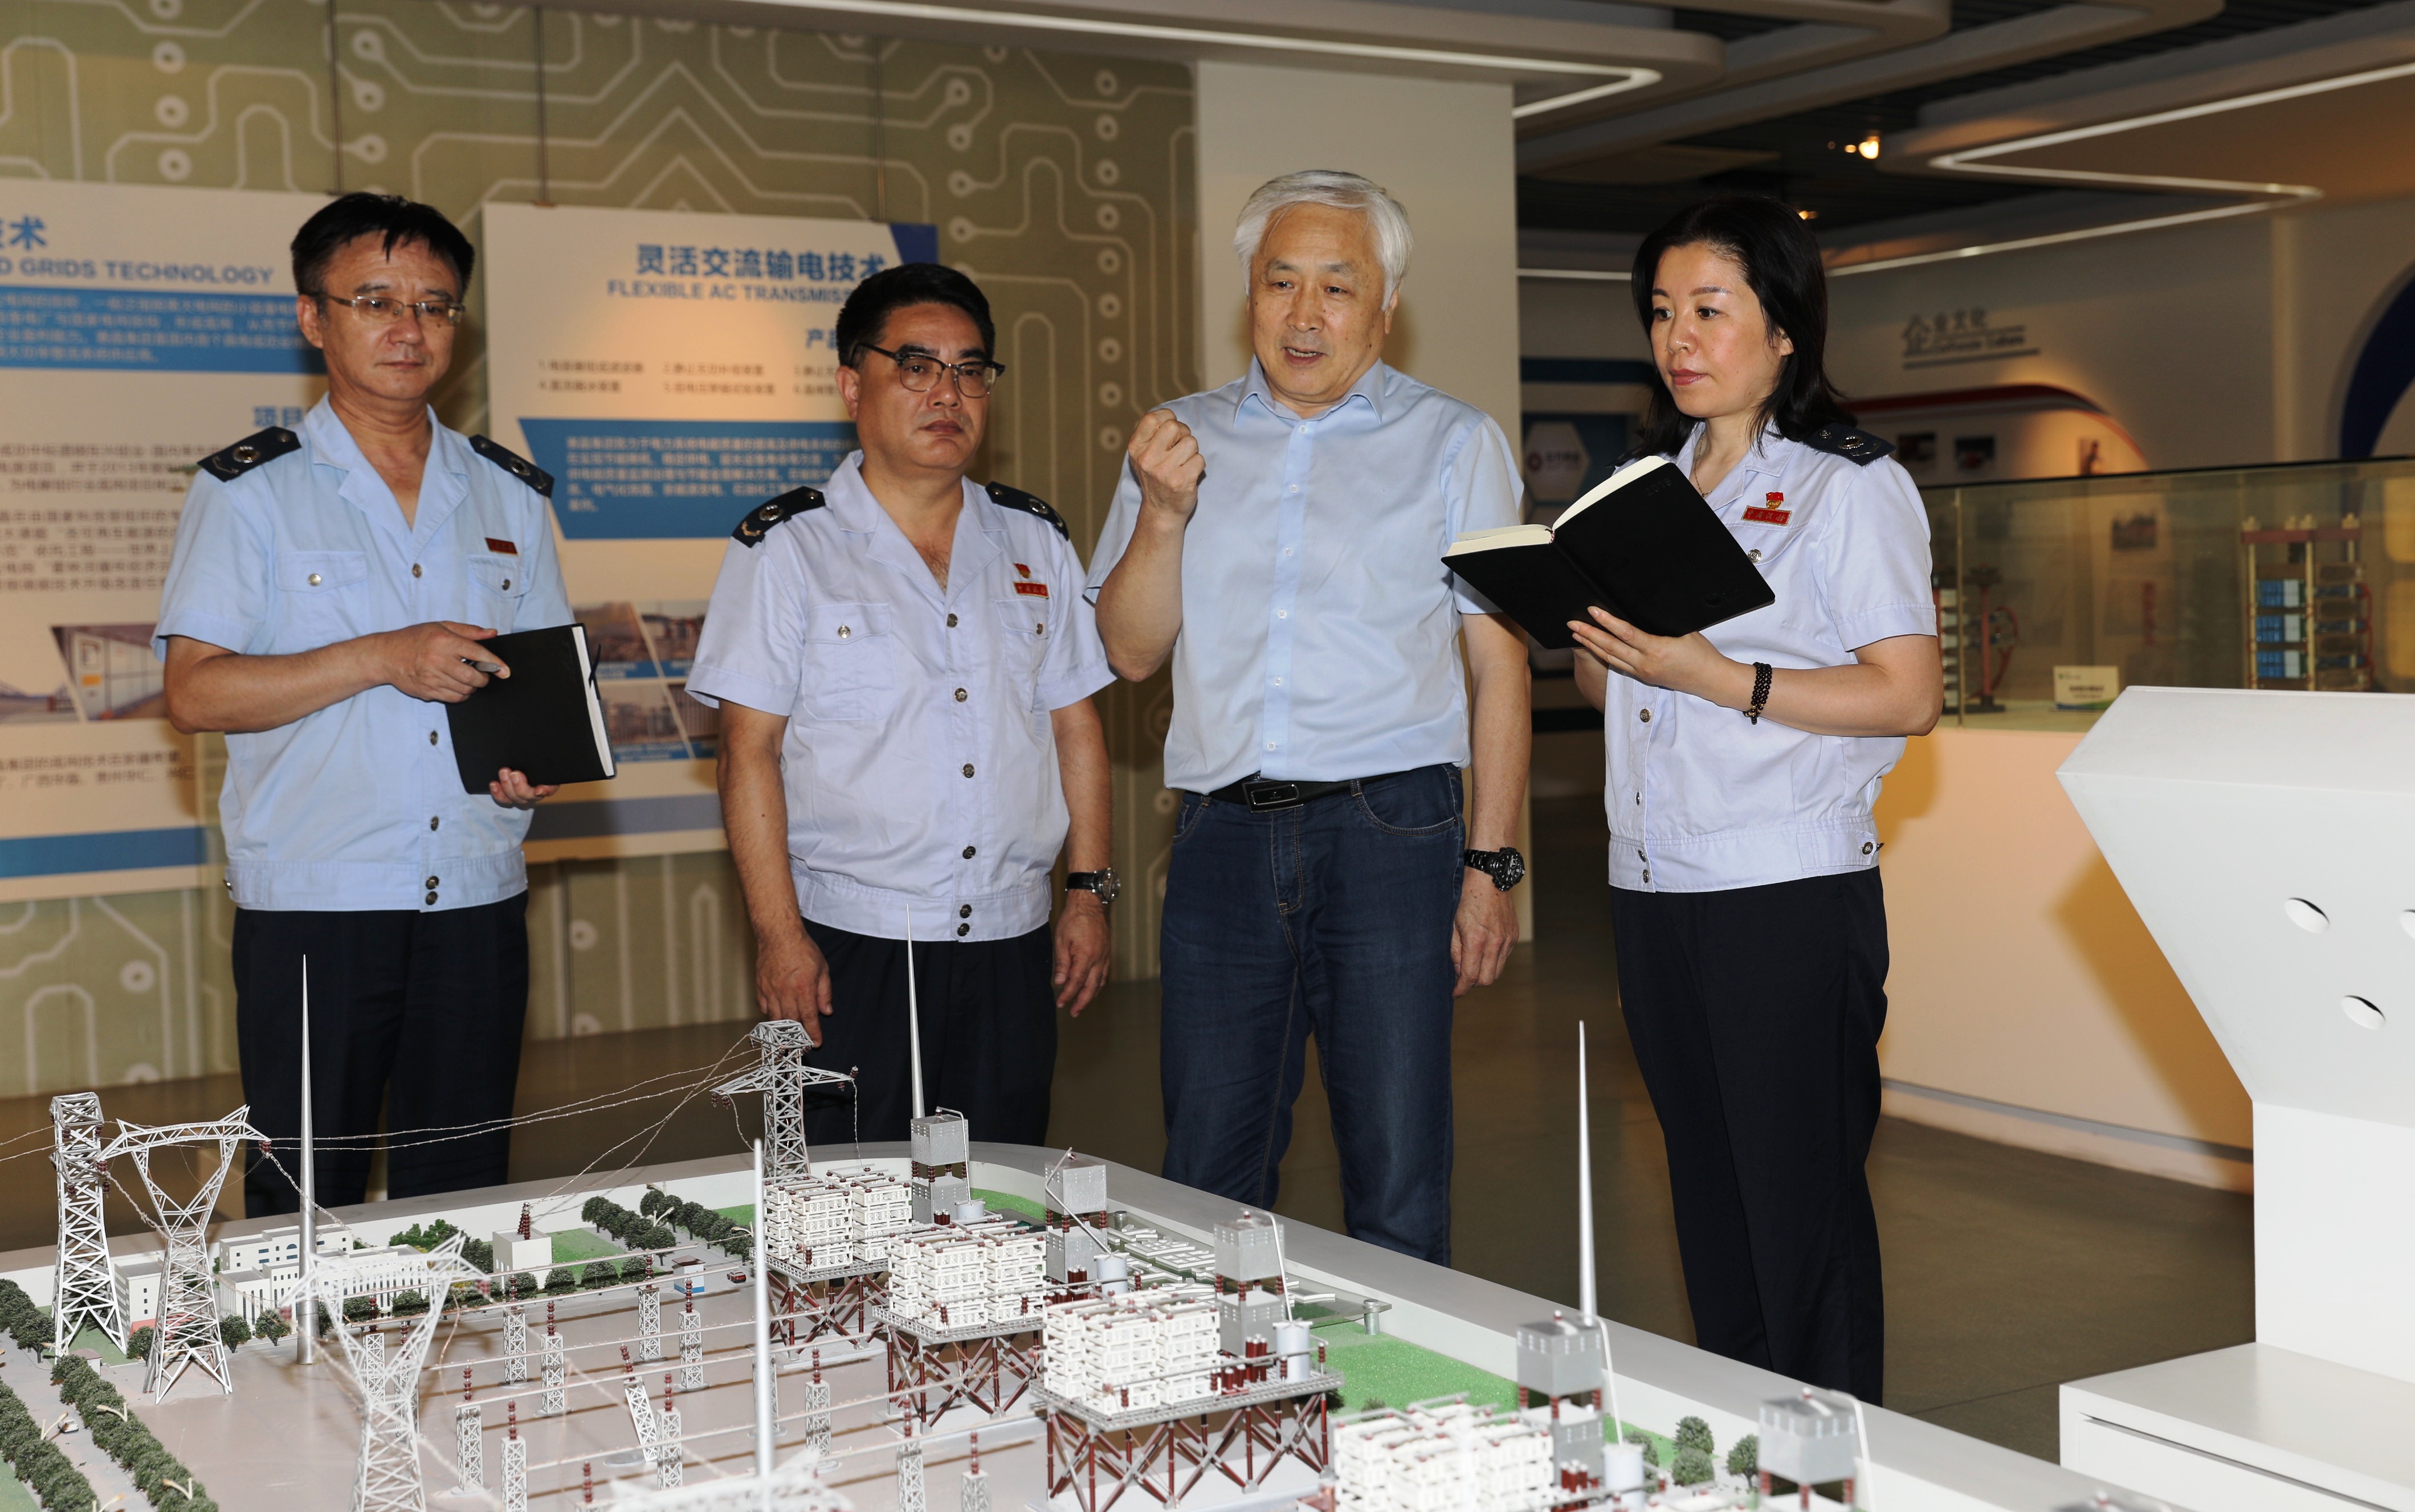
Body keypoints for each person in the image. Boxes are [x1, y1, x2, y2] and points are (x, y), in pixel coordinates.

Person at [1087, 170, 1532, 1265]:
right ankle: (1223, 1367)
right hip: (1221, 836)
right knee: (1208, 1166)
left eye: (1338, 286)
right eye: (1280, 281)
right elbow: (1129, 652)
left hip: (1393, 833)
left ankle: (1399, 1370)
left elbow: (1499, 661)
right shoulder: (1177, 443)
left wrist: (1493, 865)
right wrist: (1163, 517)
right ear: (1249, 293)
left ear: (1387, 306)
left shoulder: (1455, 441)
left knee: (1397, 1168)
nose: (1304, 313)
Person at [1568, 195, 1942, 1401]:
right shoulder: (1647, 487)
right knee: (1711, 1207)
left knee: (1800, 1216)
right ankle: (1742, 1452)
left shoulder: (1849, 488)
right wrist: (1601, 639)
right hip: (1654, 885)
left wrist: (1712, 672)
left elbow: (1907, 694)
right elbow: (1610, 679)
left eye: (1710, 310)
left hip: (1784, 890)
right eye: (1662, 312)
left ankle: (1834, 1463)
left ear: (1784, 329)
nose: (1679, 338)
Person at [156, 192, 569, 1217]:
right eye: (376, 301)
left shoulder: (510, 493)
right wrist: (381, 657)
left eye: (435, 305)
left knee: (462, 1206)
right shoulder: (250, 490)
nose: (409, 328)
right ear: (314, 317)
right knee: (306, 1204)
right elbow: (194, 692)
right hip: (319, 905)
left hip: (476, 895)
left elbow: (541, 682)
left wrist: (540, 759)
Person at [688, 263, 1115, 1147]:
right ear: (853, 385)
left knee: (999, 1191)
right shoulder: (789, 548)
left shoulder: (1035, 540)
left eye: (970, 370)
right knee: (848, 1201)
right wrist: (778, 935)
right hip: (854, 944)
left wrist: (1088, 891)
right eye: (916, 367)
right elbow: (746, 751)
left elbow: (1075, 725)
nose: (947, 393)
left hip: (1011, 939)